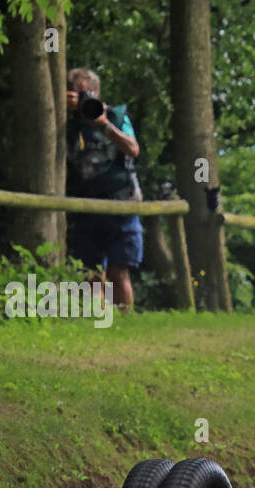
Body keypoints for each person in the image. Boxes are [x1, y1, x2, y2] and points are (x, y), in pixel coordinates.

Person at [65, 67, 143, 310]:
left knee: (119, 271)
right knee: (91, 273)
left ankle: (126, 326)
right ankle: (96, 324)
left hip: (121, 203)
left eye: (87, 93)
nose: (83, 99)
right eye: (76, 94)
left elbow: (133, 149)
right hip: (85, 206)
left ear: (97, 93)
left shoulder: (116, 117)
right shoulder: (64, 122)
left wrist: (103, 124)